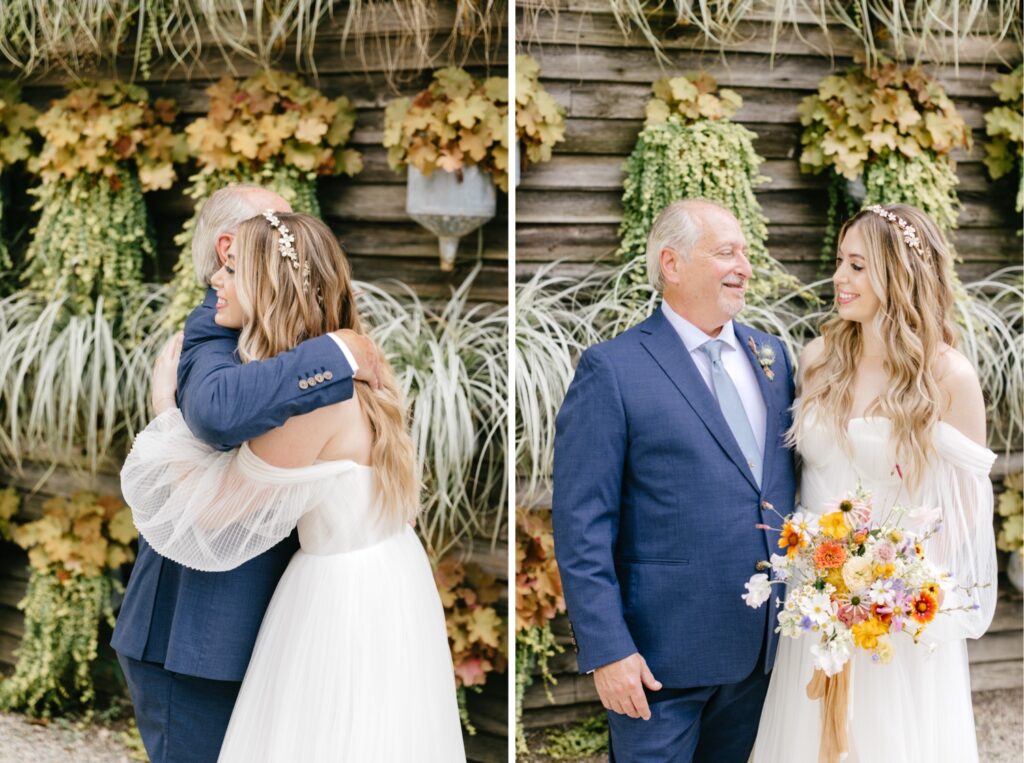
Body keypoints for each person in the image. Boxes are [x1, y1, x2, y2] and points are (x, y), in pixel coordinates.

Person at [121, 210, 465, 761]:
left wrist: (165, 407)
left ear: (267, 286)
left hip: (337, 600)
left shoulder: (311, 403)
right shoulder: (364, 371)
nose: (215, 280)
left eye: (231, 271)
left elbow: (209, 512)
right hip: (390, 585)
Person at [552, 199, 797, 762]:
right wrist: (608, 651)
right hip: (658, 666)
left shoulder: (773, 357)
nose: (745, 266)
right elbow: (581, 523)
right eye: (726, 252)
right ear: (672, 263)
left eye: (745, 252)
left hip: (762, 654)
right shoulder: (613, 369)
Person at [751, 203, 997, 762]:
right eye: (840, 262)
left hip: (894, 622)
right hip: (812, 610)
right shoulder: (817, 361)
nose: (839, 278)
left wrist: (889, 592)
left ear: (898, 273)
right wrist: (828, 589)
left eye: (857, 266)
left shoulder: (946, 375)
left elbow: (964, 510)